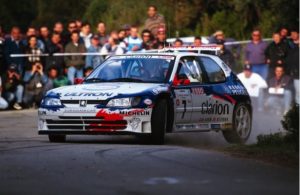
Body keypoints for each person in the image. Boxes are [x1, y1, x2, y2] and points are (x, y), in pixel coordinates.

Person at [285, 29, 299, 104]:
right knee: (297, 91)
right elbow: (290, 59)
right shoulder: (290, 45)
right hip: (295, 73)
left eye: (294, 33)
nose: (293, 35)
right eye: (291, 34)